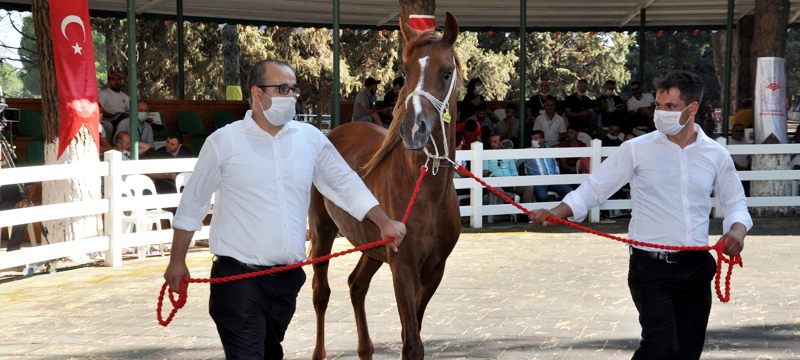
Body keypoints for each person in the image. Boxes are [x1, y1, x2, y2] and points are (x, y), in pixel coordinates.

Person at [163, 59, 406, 359]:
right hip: (238, 281)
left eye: (292, 90)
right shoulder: (223, 142)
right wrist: (177, 261)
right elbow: (192, 203)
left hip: (287, 282)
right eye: (281, 89)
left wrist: (384, 222)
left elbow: (345, 184)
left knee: (268, 353)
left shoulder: (310, 139)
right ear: (256, 93)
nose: (289, 97)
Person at [528, 71, 751, 360]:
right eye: (659, 105)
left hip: (697, 268)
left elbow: (736, 203)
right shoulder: (636, 149)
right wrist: (557, 212)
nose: (661, 113)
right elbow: (594, 188)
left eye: (670, 107)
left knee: (688, 351)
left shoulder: (716, 154)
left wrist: (737, 231)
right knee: (660, 348)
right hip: (650, 269)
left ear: (692, 108)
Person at [518, 130, 573, 202]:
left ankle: (554, 206)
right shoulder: (527, 152)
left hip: (553, 179)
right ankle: (550, 208)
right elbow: (514, 163)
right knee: (542, 197)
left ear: (542, 139)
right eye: (532, 139)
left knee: (571, 193)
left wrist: (557, 175)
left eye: (536, 138)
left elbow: (555, 164)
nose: (533, 141)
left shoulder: (549, 150)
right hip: (538, 181)